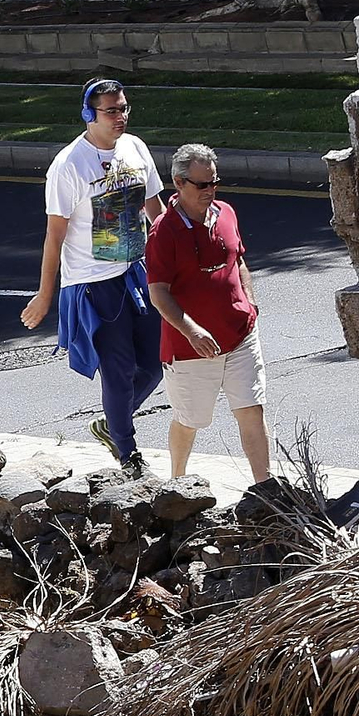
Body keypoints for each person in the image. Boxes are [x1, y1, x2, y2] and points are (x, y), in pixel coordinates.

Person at [20, 79, 166, 473]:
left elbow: (156, 209)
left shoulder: (135, 148)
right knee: (117, 371)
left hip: (136, 273)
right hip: (93, 283)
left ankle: (112, 423)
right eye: (111, 111)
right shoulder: (69, 165)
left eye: (124, 109)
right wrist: (45, 294)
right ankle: (127, 451)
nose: (120, 117)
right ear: (89, 115)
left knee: (154, 362)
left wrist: (178, 256)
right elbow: (55, 234)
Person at [145, 144, 270, 485]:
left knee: (251, 409)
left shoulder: (226, 212)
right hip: (190, 350)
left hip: (240, 334)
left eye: (214, 182)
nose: (210, 191)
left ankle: (266, 487)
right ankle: (177, 484)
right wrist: (192, 331)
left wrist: (250, 301)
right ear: (178, 183)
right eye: (201, 185)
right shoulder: (162, 231)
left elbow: (238, 260)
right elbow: (159, 293)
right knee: (190, 419)